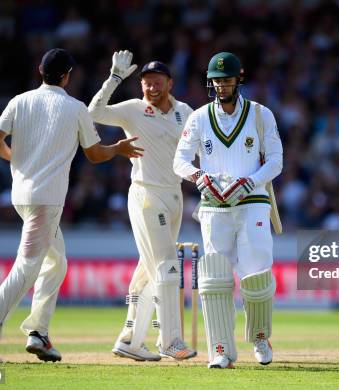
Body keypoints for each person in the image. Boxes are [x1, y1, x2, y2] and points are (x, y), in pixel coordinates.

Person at [0, 48, 142, 364]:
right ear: (67, 76)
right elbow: (94, 154)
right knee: (27, 266)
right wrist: (117, 148)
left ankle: (38, 333)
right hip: (47, 200)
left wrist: (21, 163)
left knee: (56, 262)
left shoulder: (19, 101)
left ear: (40, 70)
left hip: (22, 196)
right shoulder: (75, 108)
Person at [173, 52, 283, 368]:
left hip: (252, 204)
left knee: (257, 274)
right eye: (217, 81)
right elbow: (179, 159)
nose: (221, 86)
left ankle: (260, 338)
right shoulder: (198, 117)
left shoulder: (262, 115)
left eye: (227, 80)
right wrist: (198, 176)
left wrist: (250, 182)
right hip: (214, 206)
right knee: (215, 279)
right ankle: (220, 349)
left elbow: (276, 161)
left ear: (239, 78)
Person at [88, 51, 196, 361]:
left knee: (149, 272)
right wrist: (114, 79)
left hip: (175, 195)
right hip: (147, 195)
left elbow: (200, 145)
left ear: (169, 83)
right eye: (146, 83)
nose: (151, 88)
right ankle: (170, 340)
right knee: (167, 265)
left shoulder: (185, 112)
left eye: (157, 82)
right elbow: (94, 112)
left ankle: (130, 340)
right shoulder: (134, 109)